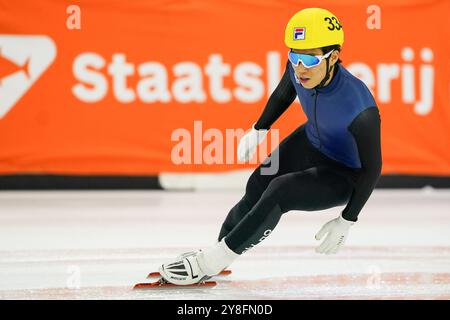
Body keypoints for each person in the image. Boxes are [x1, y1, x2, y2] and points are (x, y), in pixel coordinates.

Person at [159, 7, 382, 285]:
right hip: (311, 141)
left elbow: (373, 169)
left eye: (308, 59)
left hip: (344, 174)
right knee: (258, 182)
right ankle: (219, 251)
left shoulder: (360, 109)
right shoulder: (299, 68)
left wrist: (348, 219)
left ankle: (213, 261)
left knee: (281, 190)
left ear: (334, 57)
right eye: (293, 56)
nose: (299, 68)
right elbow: (283, 93)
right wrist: (258, 129)